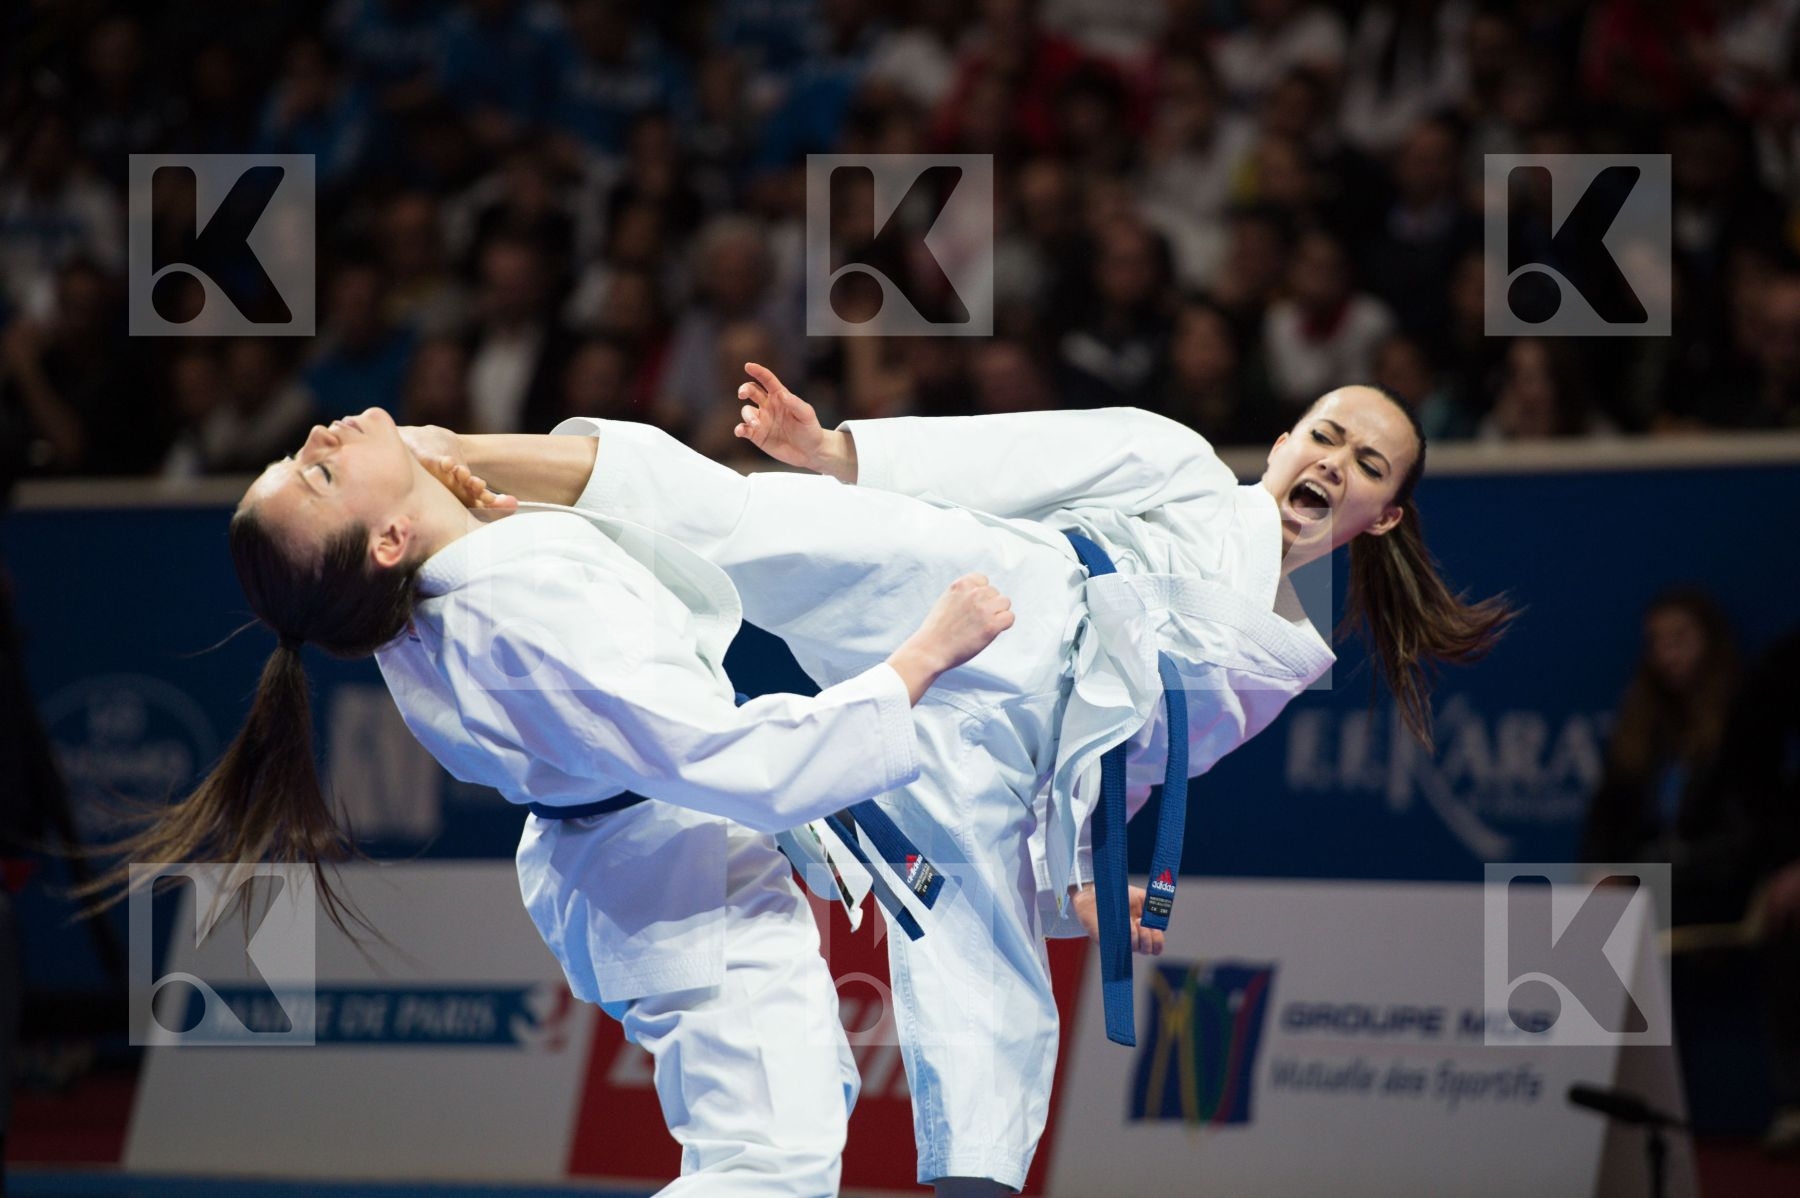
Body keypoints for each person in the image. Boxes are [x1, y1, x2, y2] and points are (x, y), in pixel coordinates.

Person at [423, 364, 1512, 1195]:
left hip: (1007, 759)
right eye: (1326, 436)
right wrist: (836, 449)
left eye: (1368, 465)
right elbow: (1014, 458)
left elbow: (1121, 769)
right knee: (738, 518)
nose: (1335, 463)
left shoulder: (1277, 666)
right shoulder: (1177, 464)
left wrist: (1082, 882)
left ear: (1388, 517)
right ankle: (454, 458)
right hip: (994, 591)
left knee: (1000, 1012)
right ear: (1281, 443)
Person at [92, 405, 1017, 1197]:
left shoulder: (445, 590)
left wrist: (469, 495)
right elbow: (735, 760)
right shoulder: (518, 621)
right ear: (386, 541)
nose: (319, 435)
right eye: (320, 473)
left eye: (299, 458)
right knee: (769, 1163)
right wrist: (920, 657)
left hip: (647, 855)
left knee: (784, 1136)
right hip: (675, 870)